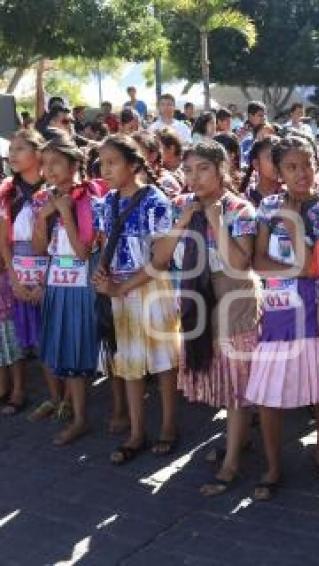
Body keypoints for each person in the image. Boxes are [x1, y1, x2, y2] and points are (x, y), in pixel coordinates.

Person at [245, 133, 319, 500]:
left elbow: (316, 267)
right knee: (269, 391)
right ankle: (272, 464)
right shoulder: (268, 207)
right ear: (279, 171)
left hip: (317, 312)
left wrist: (293, 230)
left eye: (307, 164)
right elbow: (257, 260)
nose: (302, 173)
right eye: (292, 166)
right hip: (276, 313)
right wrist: (296, 267)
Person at [162, 141, 260, 496]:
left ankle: (232, 461)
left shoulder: (239, 209)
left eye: (203, 168)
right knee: (221, 372)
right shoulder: (181, 206)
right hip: (195, 296)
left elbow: (240, 263)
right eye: (188, 170)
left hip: (233, 295)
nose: (194, 177)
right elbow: (159, 259)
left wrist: (217, 221)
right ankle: (239, 441)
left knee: (235, 379)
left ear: (223, 168)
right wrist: (183, 222)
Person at [92, 134, 181, 465]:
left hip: (151, 289)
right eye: (102, 162)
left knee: (163, 362)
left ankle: (169, 426)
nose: (106, 169)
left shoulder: (156, 202)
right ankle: (138, 431)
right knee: (128, 362)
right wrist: (102, 275)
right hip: (119, 291)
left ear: (133, 164)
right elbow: (105, 243)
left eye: (113, 162)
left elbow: (160, 260)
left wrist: (120, 286)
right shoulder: (107, 202)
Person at [32, 134, 100, 445]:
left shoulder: (87, 197)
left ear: (74, 164)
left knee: (78, 349)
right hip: (57, 282)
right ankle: (70, 408)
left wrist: (66, 213)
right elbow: (39, 249)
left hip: (81, 284)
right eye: (45, 164)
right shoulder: (45, 198)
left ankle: (82, 419)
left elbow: (84, 251)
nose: (50, 170)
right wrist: (44, 216)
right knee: (62, 347)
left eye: (57, 162)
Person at [0, 130, 49, 418]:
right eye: (11, 149)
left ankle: (68, 396)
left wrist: (44, 281)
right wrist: (15, 279)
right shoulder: (8, 191)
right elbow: (4, 241)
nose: (12, 154)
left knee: (55, 332)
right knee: (26, 333)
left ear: (38, 152)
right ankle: (27, 392)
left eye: (20, 148)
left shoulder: (53, 187)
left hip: (53, 271)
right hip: (17, 270)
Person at [240, 137, 283, 207]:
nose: (277, 162)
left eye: (280, 157)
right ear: (256, 164)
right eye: (272, 158)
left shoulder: (291, 195)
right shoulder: (246, 199)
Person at [239, 101, 268, 169]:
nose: (263, 118)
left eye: (264, 115)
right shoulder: (241, 133)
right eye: (260, 115)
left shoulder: (267, 131)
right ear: (250, 116)